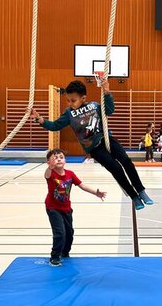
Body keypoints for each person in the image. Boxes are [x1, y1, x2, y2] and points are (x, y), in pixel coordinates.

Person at [31, 78, 153, 210]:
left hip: (107, 139)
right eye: (68, 100)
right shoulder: (69, 113)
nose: (70, 103)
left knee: (126, 161)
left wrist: (107, 92)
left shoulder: (94, 106)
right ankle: (134, 196)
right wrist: (40, 119)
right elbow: (55, 125)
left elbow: (109, 110)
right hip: (94, 148)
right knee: (116, 168)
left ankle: (141, 191)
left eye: (73, 100)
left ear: (83, 98)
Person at [44, 149, 106, 266]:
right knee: (59, 233)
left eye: (61, 157)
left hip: (66, 208)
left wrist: (95, 193)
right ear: (49, 162)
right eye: (55, 157)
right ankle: (55, 256)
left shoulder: (70, 174)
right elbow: (46, 174)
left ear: (65, 160)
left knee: (69, 233)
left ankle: (65, 253)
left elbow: (82, 185)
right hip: (53, 208)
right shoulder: (51, 173)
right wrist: (50, 167)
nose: (58, 159)